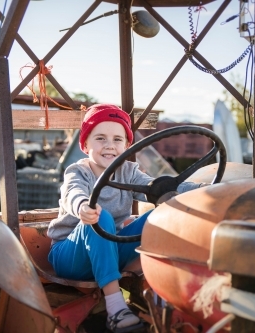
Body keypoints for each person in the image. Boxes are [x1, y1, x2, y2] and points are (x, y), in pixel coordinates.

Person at [47, 104, 205, 333]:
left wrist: (202, 190)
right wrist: (81, 206)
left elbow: (160, 188)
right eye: (100, 138)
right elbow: (73, 192)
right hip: (70, 256)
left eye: (117, 139)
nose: (110, 145)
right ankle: (115, 307)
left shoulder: (128, 172)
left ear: (127, 145)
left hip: (109, 248)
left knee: (163, 214)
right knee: (100, 218)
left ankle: (161, 291)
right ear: (85, 144)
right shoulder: (78, 171)